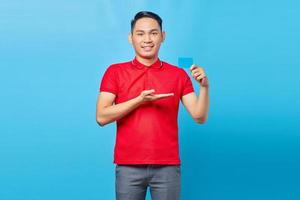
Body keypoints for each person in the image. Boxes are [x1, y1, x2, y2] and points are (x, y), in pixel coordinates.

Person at [96, 11, 209, 200]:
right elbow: (101, 117)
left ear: (163, 36)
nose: (147, 39)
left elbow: (199, 116)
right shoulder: (115, 71)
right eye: (140, 34)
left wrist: (205, 87)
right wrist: (139, 101)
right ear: (130, 38)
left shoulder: (178, 74)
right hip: (128, 166)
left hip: (167, 166)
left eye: (153, 33)